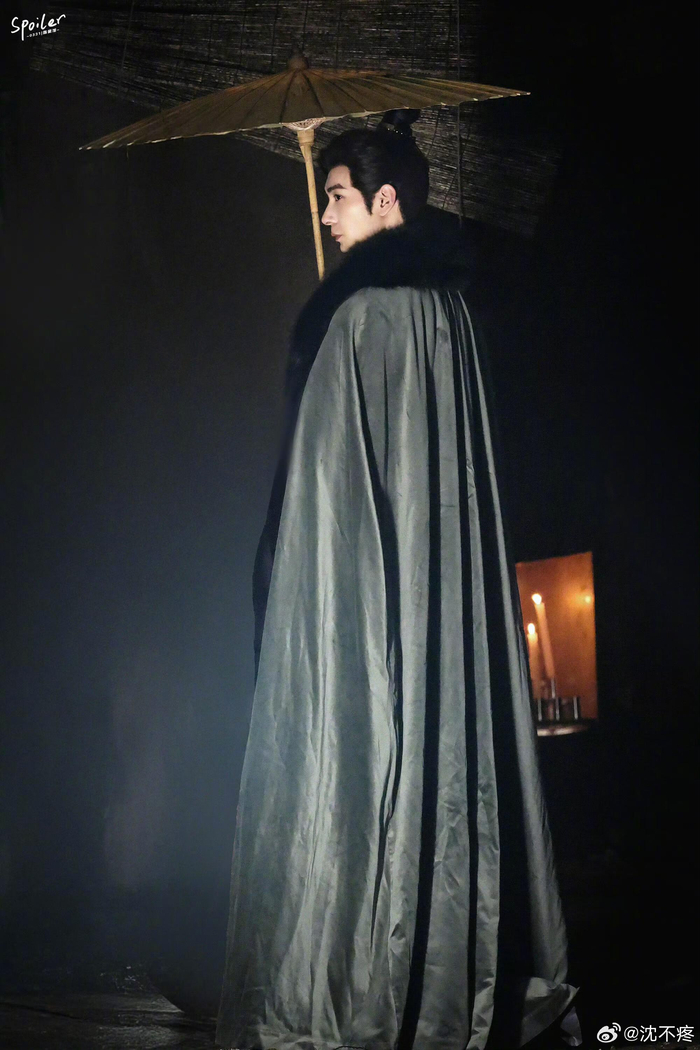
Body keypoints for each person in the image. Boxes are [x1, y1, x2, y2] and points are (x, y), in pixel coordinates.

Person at [216, 109, 582, 1050]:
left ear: (386, 202)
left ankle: (361, 963)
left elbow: (329, 513)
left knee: (365, 746)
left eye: (337, 196)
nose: (326, 216)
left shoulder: (365, 320)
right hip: (434, 612)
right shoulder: (451, 316)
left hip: (373, 605)